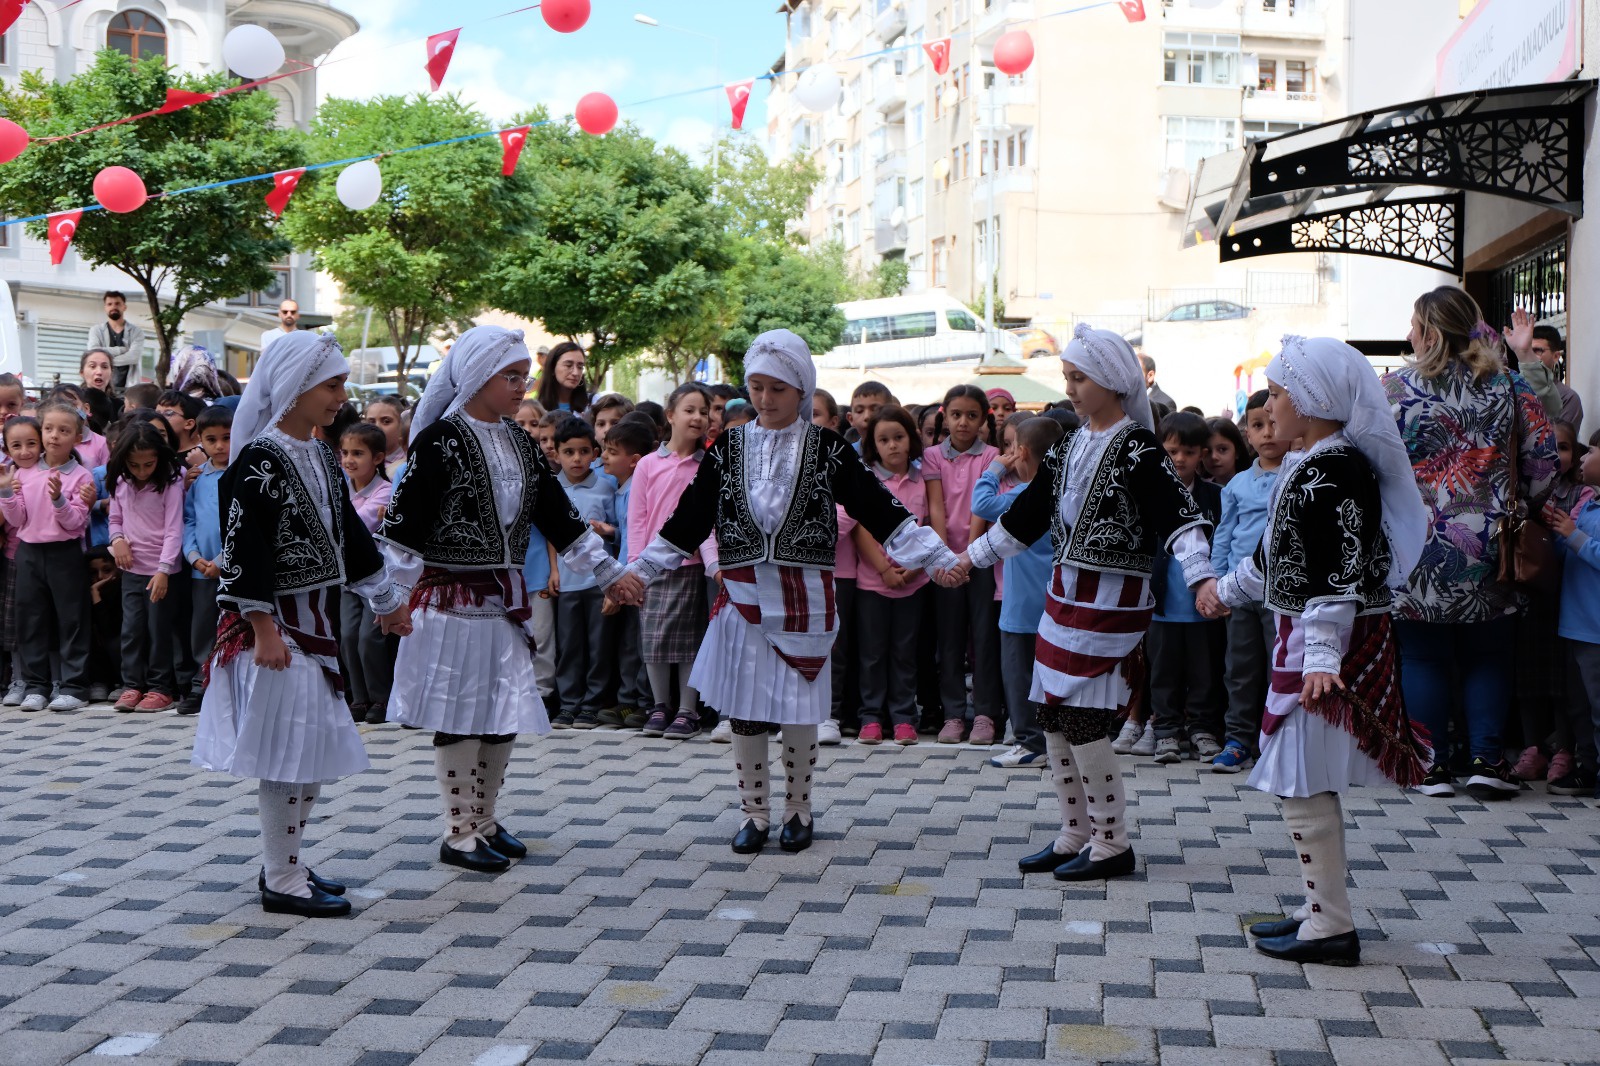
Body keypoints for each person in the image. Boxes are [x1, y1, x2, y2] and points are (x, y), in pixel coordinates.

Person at [614, 329, 959, 855]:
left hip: (807, 598)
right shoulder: (728, 447)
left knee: (800, 708)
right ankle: (754, 813)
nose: (765, 398)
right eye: (755, 386)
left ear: (801, 389)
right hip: (745, 599)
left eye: (777, 388)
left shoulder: (826, 448)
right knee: (748, 710)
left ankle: (799, 810)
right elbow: (689, 519)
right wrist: (640, 571)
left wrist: (936, 558)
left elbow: (878, 508)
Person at [951, 324, 1217, 882]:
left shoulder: (1138, 447)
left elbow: (1178, 516)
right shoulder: (1071, 443)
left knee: (1083, 720)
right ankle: (1076, 831)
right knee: (1052, 717)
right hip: (1064, 595)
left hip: (1112, 601)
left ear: (1115, 382)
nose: (1070, 387)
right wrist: (968, 560)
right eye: (1068, 377)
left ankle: (1112, 840)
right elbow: (1026, 518)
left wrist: (1201, 580)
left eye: (1079, 378)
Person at [1203, 335, 1431, 966]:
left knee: (1302, 778)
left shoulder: (1335, 467)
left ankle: (1331, 926)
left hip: (1325, 642)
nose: (1270, 406)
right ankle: (1321, 910)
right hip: (1303, 633)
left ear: (1313, 399)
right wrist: (1227, 591)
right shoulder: (1314, 463)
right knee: (1301, 780)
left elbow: (1338, 568)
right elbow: (1280, 553)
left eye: (1278, 393)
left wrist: (1323, 658)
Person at [378, 326, 630, 875]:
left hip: (504, 598)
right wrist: (390, 600)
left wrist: (609, 571)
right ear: (474, 378)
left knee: (501, 711)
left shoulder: (518, 441)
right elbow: (403, 528)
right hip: (451, 600)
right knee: (462, 712)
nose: (521, 386)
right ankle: (458, 830)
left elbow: (559, 517)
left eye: (523, 376)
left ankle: (484, 818)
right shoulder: (439, 440)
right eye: (510, 377)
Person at [191, 331, 411, 918]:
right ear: (295, 388)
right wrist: (260, 626)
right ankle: (281, 879)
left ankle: (284, 865)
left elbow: (350, 535)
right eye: (333, 385)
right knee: (288, 754)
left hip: (314, 621)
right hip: (280, 629)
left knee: (305, 751)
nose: (343, 396)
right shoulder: (260, 459)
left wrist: (386, 598)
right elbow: (246, 548)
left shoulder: (316, 452)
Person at [1383, 286, 1558, 800]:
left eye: (1414, 325)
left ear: (1431, 332)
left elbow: (1368, 461)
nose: (1409, 335)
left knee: (1422, 655)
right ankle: (1486, 760)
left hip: (1416, 541)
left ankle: (1431, 768)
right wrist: (1520, 501)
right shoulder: (1509, 386)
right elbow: (1545, 459)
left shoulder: (1393, 391)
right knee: (1489, 653)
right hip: (1491, 541)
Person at [974, 414, 1064, 768]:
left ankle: (1030, 743)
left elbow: (981, 504)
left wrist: (995, 469)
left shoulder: (1022, 494)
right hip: (1055, 602)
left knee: (1019, 675)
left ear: (1022, 451)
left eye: (1012, 448)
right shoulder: (1063, 492)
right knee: (1052, 677)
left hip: (1021, 608)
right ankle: (1054, 742)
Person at [627, 384, 716, 739]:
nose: (697, 417)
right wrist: (634, 568)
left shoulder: (709, 465)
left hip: (692, 566)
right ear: (670, 415)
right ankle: (660, 705)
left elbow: (709, 522)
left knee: (689, 642)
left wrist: (711, 562)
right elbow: (636, 518)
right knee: (655, 640)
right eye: (689, 410)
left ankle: (687, 710)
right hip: (651, 568)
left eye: (704, 411)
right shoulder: (649, 464)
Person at [1, 402, 96, 712]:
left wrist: (57, 498)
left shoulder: (82, 476)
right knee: (31, 619)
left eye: (64, 430)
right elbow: (17, 520)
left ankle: (74, 686)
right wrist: (5, 492)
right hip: (28, 552)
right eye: (49, 429)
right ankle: (36, 686)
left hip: (64, 554)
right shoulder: (24, 471)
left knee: (72, 620)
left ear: (78, 437)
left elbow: (75, 523)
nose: (55, 436)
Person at [851, 405, 938, 746]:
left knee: (905, 652)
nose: (892, 446)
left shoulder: (922, 481)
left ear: (911, 439)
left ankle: (904, 717)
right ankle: (871, 716)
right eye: (883, 440)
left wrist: (914, 568)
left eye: (899, 437)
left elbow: (930, 526)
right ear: (873, 444)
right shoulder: (865, 478)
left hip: (913, 583)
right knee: (872, 653)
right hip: (873, 582)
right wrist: (885, 569)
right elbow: (858, 529)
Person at [1210, 390, 1285, 773]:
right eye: (1257, 425)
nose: (1267, 432)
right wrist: (1216, 583)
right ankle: (1238, 739)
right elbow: (1224, 535)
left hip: (1282, 593)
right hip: (1239, 592)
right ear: (1247, 435)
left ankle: (1278, 741)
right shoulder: (1238, 484)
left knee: (1281, 669)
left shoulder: (1297, 473)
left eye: (1273, 423)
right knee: (1239, 668)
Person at [924, 384, 1002, 745]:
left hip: (982, 557)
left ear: (984, 418)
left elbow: (979, 508)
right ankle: (953, 715)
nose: (963, 422)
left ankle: (985, 714)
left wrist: (968, 557)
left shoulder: (991, 456)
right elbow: (936, 507)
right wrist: (946, 558)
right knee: (949, 639)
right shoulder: (932, 457)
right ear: (945, 415)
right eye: (956, 415)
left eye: (972, 415)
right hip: (944, 561)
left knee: (984, 638)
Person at [1147, 412, 1226, 764]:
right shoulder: (1146, 493)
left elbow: (1223, 545)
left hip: (1204, 606)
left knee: (1204, 673)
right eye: (1173, 450)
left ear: (1202, 455)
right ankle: (1165, 732)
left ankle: (1202, 730)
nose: (1180, 459)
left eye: (1190, 452)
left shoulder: (1215, 497)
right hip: (1161, 605)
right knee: (1162, 671)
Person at [105, 421, 185, 713]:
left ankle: (161, 688)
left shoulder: (172, 481)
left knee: (159, 630)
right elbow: (115, 520)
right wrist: (118, 541)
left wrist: (164, 569)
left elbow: (174, 529)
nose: (141, 471)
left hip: (162, 572)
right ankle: (132, 685)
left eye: (148, 464)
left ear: (160, 458)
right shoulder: (121, 482)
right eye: (134, 465)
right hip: (131, 570)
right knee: (131, 630)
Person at [550, 417, 617, 730]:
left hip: (599, 581)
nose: (576, 458)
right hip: (567, 582)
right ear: (557, 453)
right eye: (568, 452)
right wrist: (553, 571)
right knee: (569, 646)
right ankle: (568, 704)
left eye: (583, 451)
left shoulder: (607, 486)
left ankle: (592, 705)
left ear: (595, 452)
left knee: (598, 645)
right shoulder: (552, 488)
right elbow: (551, 535)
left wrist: (607, 530)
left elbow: (620, 529)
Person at [1544, 439, 1600, 798]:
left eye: (1592, 452)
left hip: (1596, 629)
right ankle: (1589, 769)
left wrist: (1573, 535)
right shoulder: (1589, 503)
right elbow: (1568, 553)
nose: (1584, 457)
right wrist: (1553, 533)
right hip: (1576, 624)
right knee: (1580, 706)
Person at [598, 417, 655, 729]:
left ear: (634, 461)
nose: (603, 456)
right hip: (625, 576)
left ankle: (640, 703)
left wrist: (623, 582)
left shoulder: (636, 490)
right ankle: (628, 701)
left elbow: (638, 537)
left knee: (639, 644)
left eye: (611, 451)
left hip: (635, 578)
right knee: (628, 644)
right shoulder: (620, 489)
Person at [338, 422, 395, 725]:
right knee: (347, 636)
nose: (349, 459)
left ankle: (381, 698)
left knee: (368, 639)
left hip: (376, 581)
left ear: (377, 458)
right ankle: (359, 698)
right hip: (347, 577)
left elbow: (356, 524)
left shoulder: (385, 492)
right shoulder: (340, 489)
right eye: (345, 452)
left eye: (358, 453)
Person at [181, 405, 232, 716]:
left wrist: (222, 559)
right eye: (211, 439)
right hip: (202, 571)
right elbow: (188, 519)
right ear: (200, 440)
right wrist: (194, 556)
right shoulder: (198, 479)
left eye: (227, 438)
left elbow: (248, 522)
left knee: (232, 625)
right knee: (202, 627)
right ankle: (202, 682)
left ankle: (228, 681)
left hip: (234, 569)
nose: (219, 446)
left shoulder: (243, 474)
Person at [88, 292, 146, 392]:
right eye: (109, 304)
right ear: (105, 307)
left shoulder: (136, 332)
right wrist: (121, 350)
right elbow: (94, 353)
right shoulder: (96, 330)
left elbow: (134, 357)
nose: (113, 306)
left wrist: (105, 361)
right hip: (101, 386)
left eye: (117, 303)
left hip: (128, 388)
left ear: (124, 307)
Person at [535, 341, 590, 414]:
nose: (575, 373)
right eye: (568, 365)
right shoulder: (535, 409)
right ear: (552, 368)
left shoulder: (592, 405)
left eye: (580, 367)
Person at [364, 396, 408, 479]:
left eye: (386, 421)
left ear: (401, 424)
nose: (377, 427)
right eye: (371, 422)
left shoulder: (409, 463)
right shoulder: (360, 460)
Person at [1204, 416, 1250, 486]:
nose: (1214, 457)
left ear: (1237, 451)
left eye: (1222, 449)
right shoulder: (1197, 492)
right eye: (1208, 451)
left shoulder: (1253, 487)